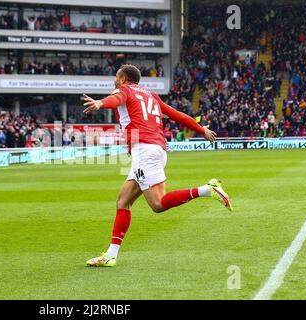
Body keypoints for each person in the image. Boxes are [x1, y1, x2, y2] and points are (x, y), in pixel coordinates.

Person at [82, 65, 233, 267]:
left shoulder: (124, 90)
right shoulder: (151, 96)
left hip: (144, 152)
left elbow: (116, 99)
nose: (115, 80)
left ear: (124, 79)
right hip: (154, 150)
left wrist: (100, 103)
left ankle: (207, 190)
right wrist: (200, 129)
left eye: (117, 77)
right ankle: (111, 255)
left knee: (158, 204)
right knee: (123, 201)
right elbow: (177, 114)